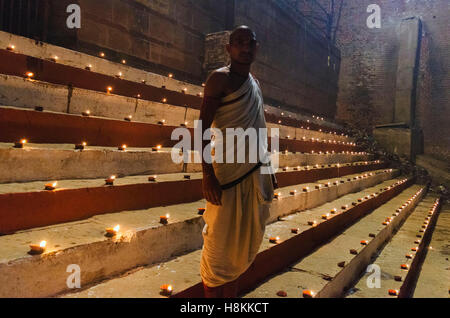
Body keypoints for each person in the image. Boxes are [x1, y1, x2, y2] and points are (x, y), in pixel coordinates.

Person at [199, 25, 277, 298]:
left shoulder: (255, 84)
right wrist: (207, 176)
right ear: (229, 48)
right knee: (219, 249)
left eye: (250, 43)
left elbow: (259, 130)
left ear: (257, 48)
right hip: (226, 176)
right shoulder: (219, 79)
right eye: (239, 42)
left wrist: (268, 172)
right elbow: (202, 129)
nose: (245, 48)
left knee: (239, 251)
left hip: (255, 174)